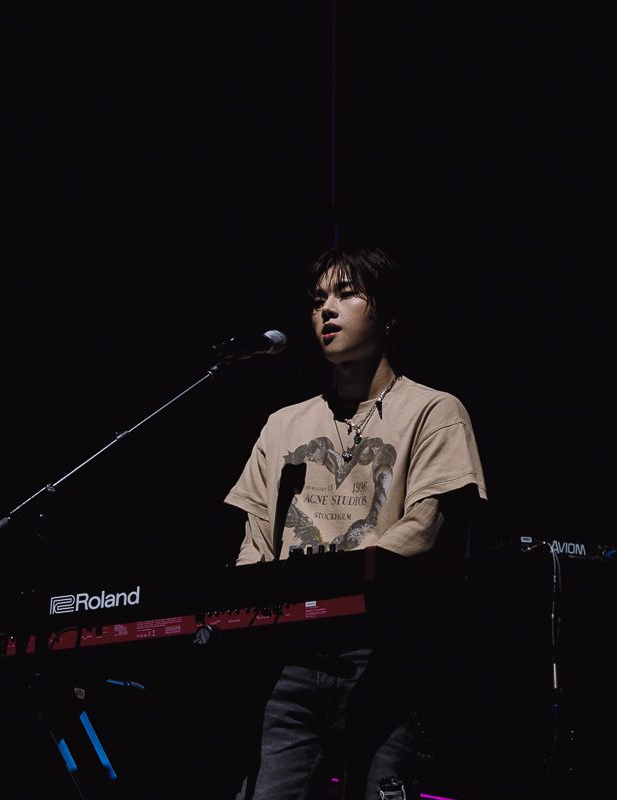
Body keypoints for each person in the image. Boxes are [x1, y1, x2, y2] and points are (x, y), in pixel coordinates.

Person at [223, 244, 487, 800]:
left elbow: (424, 530)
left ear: (387, 313)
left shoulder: (434, 411)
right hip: (292, 661)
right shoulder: (282, 426)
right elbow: (255, 543)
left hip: (385, 656)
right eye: (318, 299)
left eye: (347, 294)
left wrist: (331, 584)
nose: (327, 309)